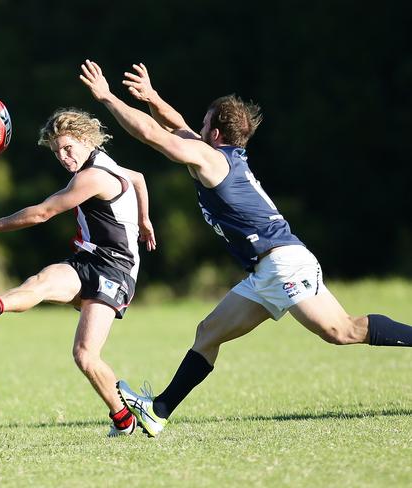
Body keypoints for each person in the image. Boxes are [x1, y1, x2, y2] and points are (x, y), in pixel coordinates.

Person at [80, 59, 412, 437]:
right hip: (265, 270)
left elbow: (156, 136)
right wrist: (153, 96)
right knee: (208, 334)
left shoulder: (209, 159)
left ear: (216, 133)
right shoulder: (220, 155)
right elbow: (177, 126)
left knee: (341, 331)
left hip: (283, 263)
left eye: (204, 124)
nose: (196, 128)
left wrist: (107, 97)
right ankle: (158, 411)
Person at [0, 108, 157, 437]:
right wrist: (144, 220)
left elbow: (43, 213)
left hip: (116, 270)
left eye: (68, 148)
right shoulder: (105, 164)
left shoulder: (94, 176)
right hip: (87, 259)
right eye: (57, 151)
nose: (63, 157)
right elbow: (139, 179)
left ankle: (127, 418)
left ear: (86, 140)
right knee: (41, 282)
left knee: (85, 355)